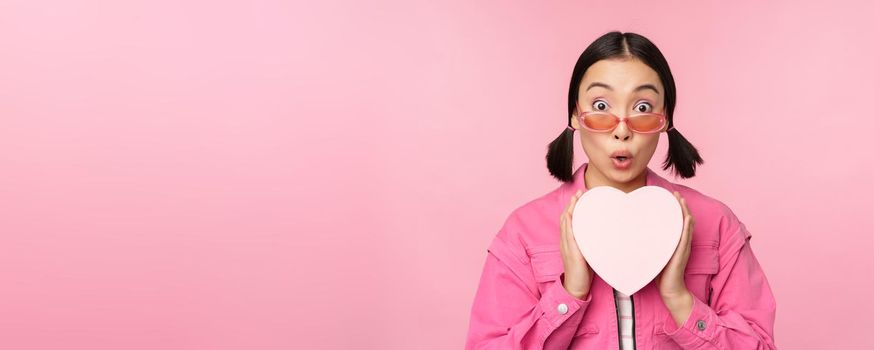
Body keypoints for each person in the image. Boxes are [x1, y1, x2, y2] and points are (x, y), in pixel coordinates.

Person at [464, 31, 777, 349]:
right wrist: (569, 294)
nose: (622, 130)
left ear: (664, 118)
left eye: (642, 107)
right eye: (601, 105)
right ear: (575, 113)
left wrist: (679, 299)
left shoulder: (716, 224)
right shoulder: (523, 232)